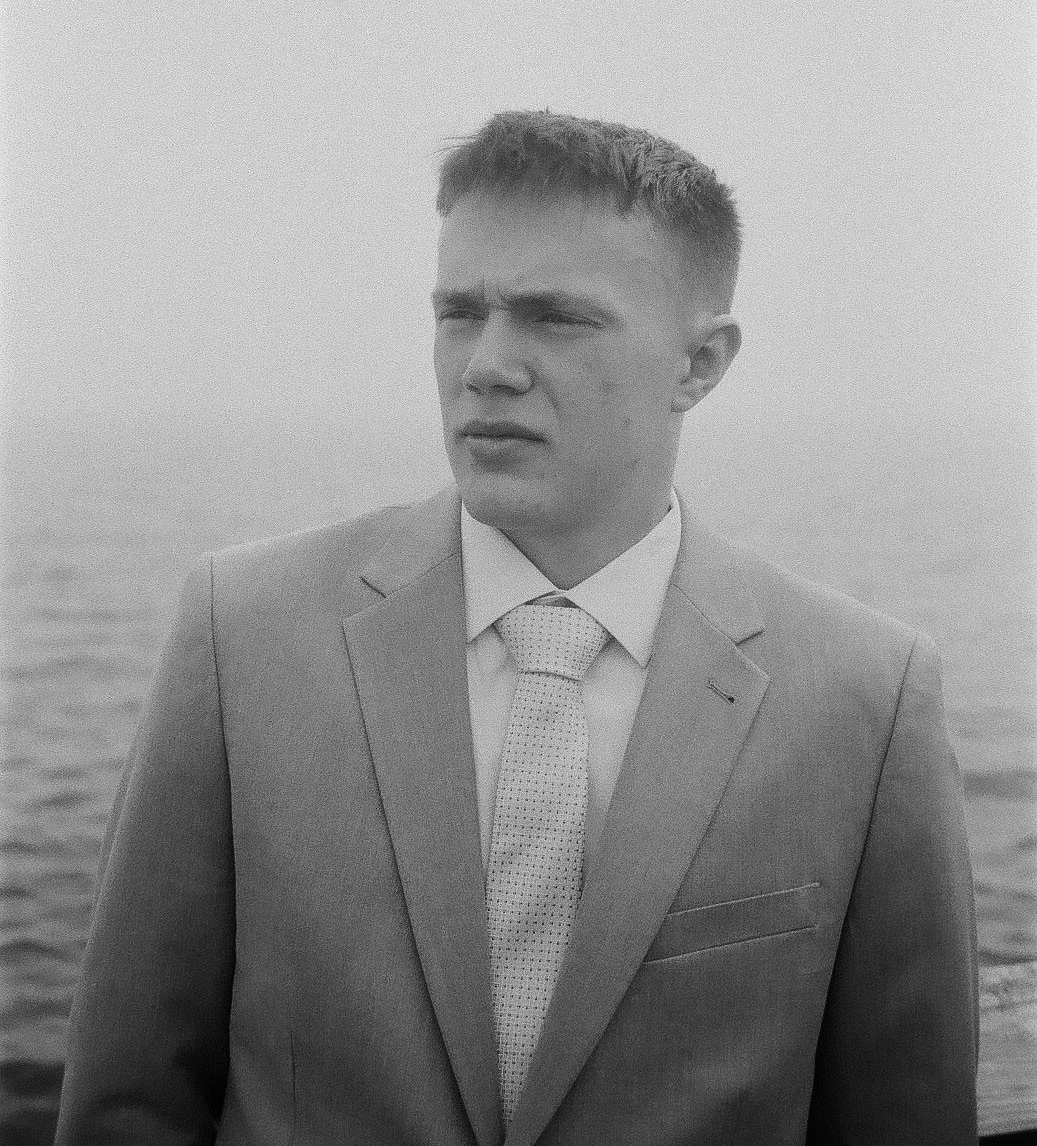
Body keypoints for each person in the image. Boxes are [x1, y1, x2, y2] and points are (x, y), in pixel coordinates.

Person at [56, 111, 979, 1145]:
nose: (485, 364)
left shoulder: (866, 695)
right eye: (459, 312)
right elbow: (127, 1098)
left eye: (556, 317)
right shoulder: (242, 630)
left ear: (698, 361)